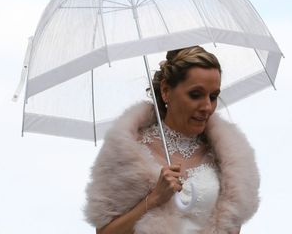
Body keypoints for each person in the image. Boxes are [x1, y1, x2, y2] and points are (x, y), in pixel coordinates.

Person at [84, 46, 260, 234]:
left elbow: (231, 227)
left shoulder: (227, 158)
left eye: (213, 96)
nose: (207, 106)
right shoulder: (127, 150)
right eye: (196, 95)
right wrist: (153, 199)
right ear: (166, 91)